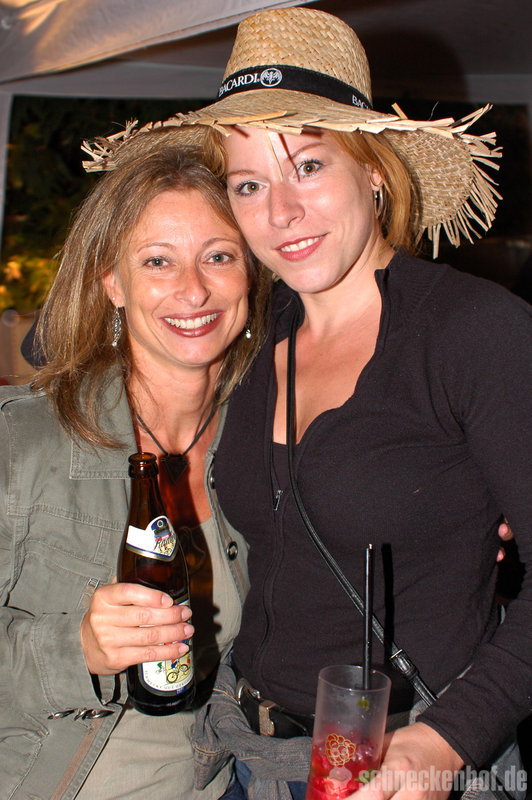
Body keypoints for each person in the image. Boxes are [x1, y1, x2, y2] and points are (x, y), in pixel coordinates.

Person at [83, 9, 531, 800]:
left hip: (397, 765)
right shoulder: (254, 337)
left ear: (375, 170)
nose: (279, 212)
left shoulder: (471, 330)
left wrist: (448, 741)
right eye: (249, 184)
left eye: (310, 166)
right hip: (247, 754)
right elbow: (70, 348)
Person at [0, 129, 271, 799]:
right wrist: (77, 649)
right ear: (112, 283)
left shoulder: (266, 445)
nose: (193, 289)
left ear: (251, 274)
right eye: (157, 261)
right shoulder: (25, 442)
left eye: (218, 256)